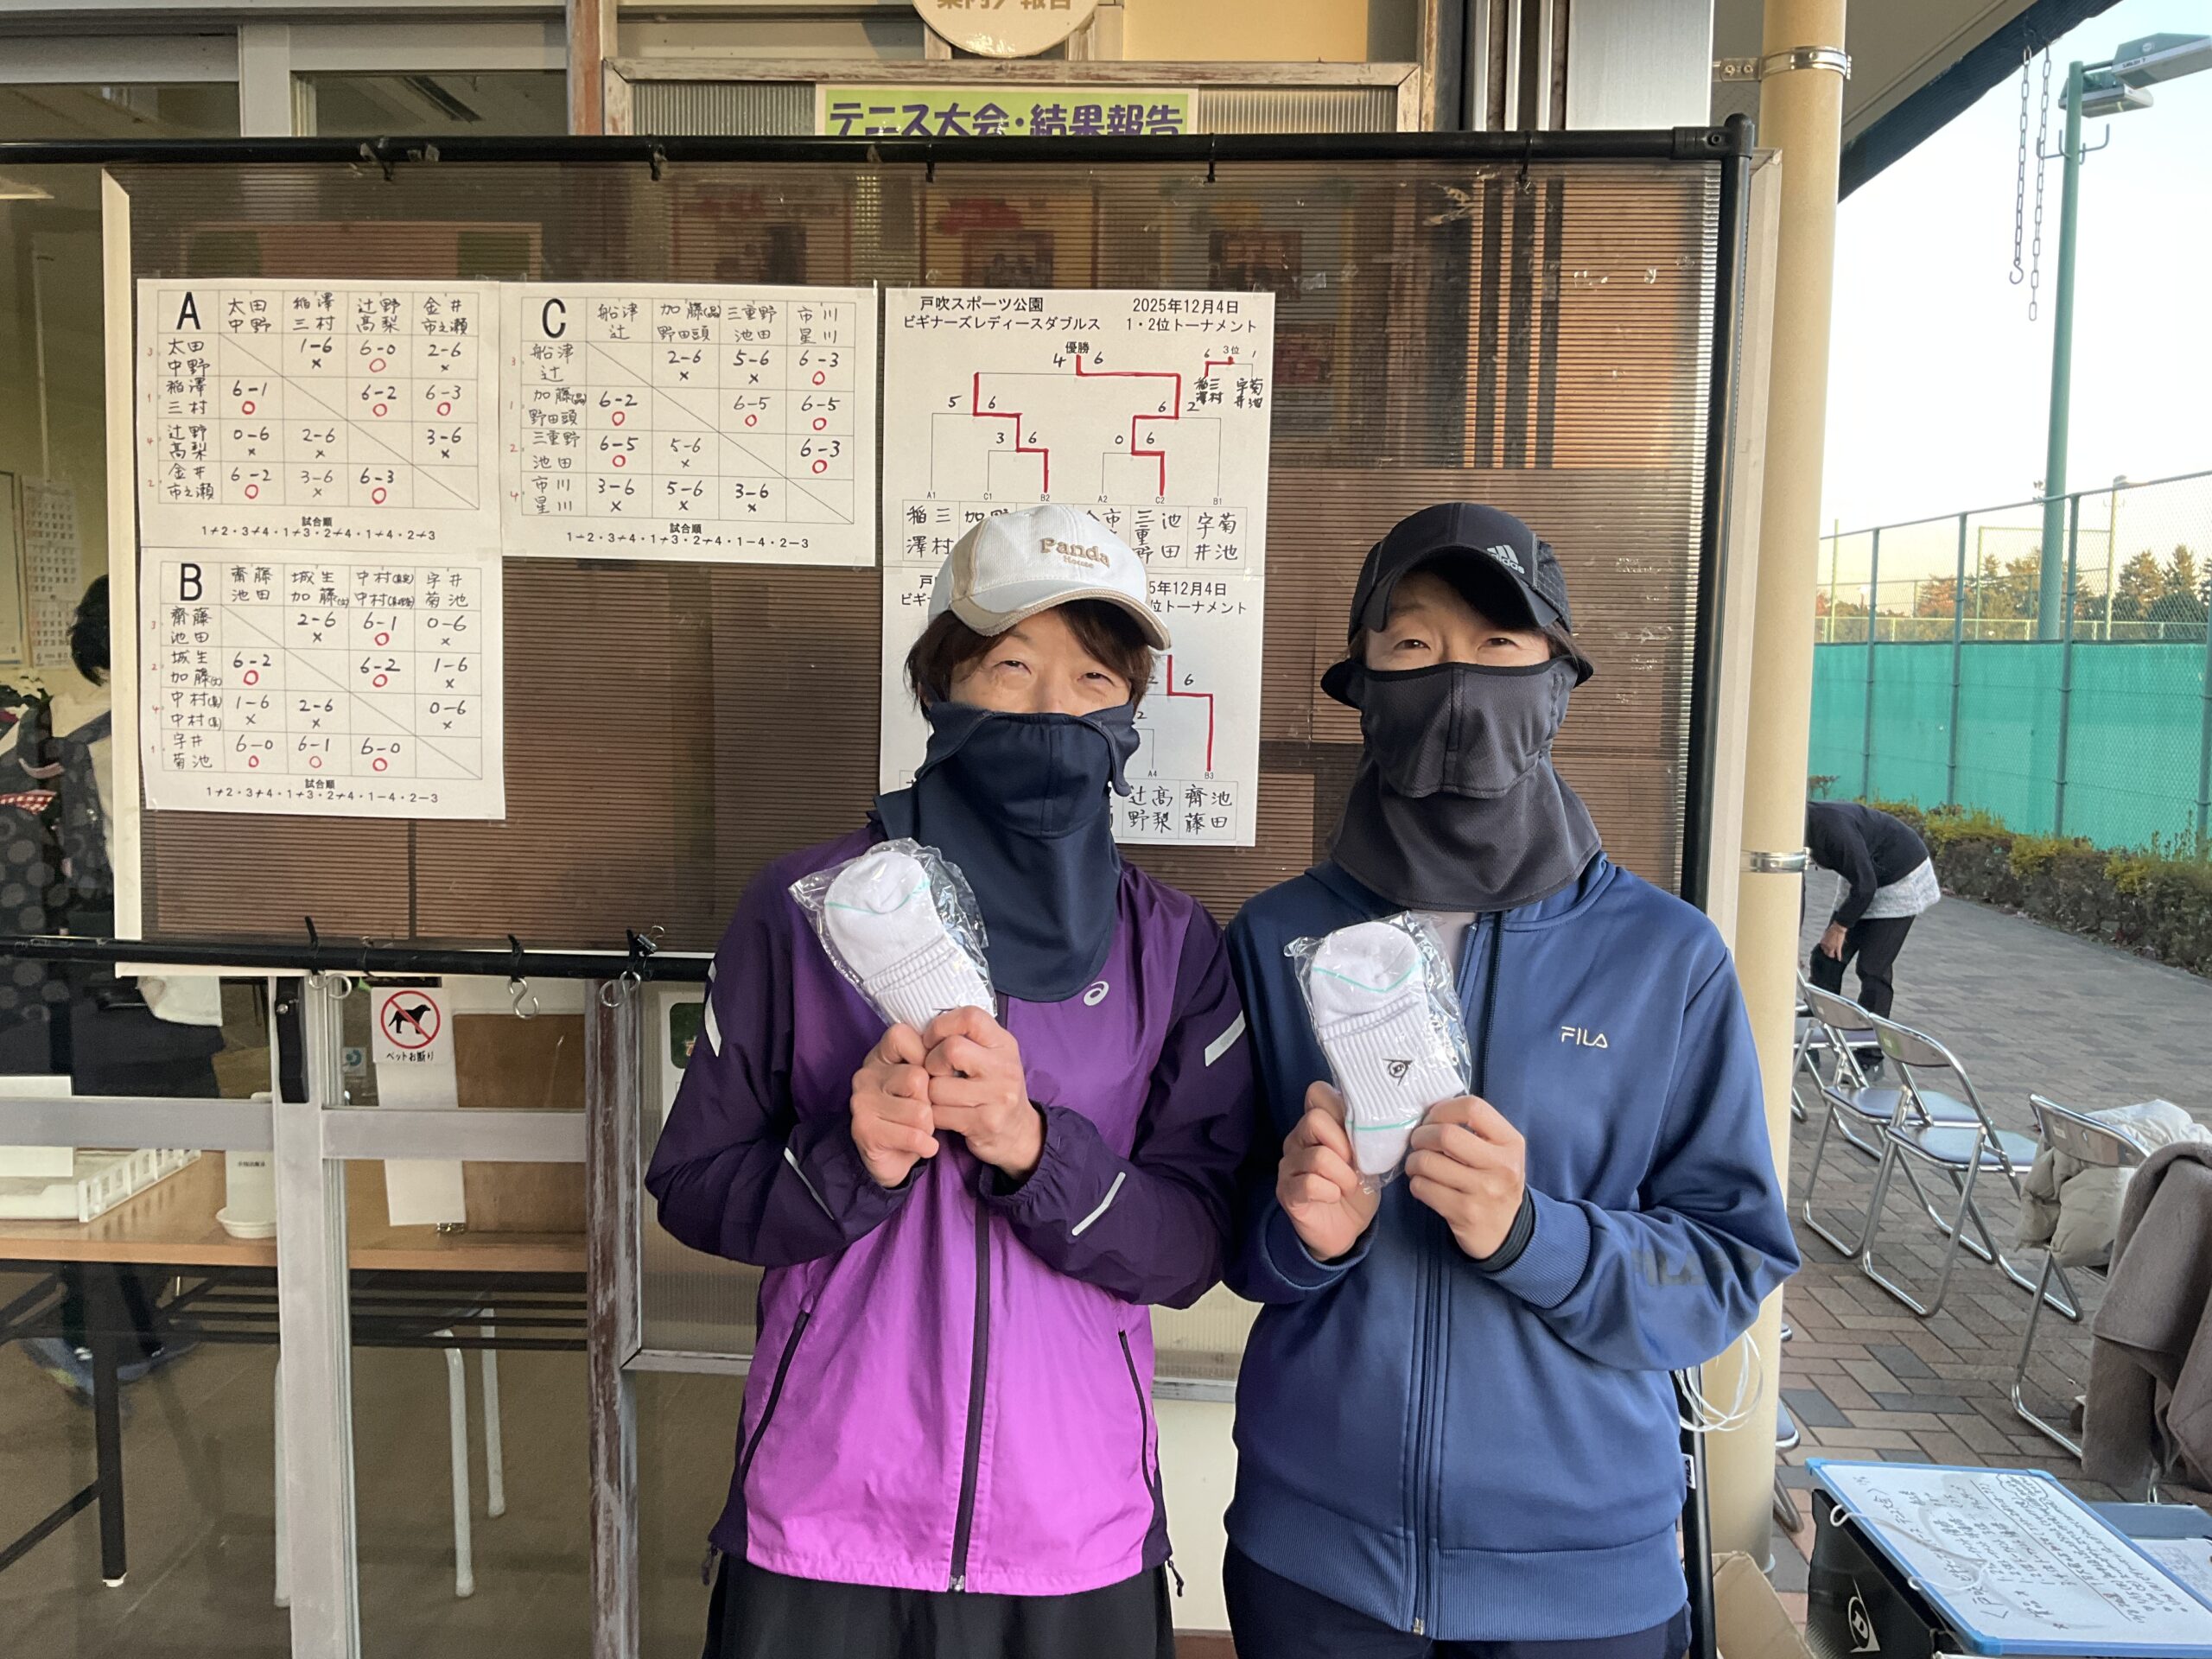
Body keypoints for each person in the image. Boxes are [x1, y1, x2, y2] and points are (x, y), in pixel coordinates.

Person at [645, 505, 1254, 1659]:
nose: (1054, 710)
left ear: (1130, 712)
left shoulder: (1172, 946)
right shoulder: (804, 909)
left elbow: (1193, 1246)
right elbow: (694, 1186)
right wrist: (847, 1162)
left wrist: (1039, 1153)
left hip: (1074, 1533)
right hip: (825, 1523)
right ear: (940, 685)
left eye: (1093, 679)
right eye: (1011, 667)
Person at [1221, 504, 1798, 1658]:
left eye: (1498, 646)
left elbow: (1727, 1263)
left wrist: (1534, 1234)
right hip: (1315, 1566)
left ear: (1557, 680)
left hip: (1585, 1585)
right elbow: (1227, 1234)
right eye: (1413, 646)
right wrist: (1301, 1237)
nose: (1456, 683)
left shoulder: (1665, 956)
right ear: (1361, 685)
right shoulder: (1278, 938)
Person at [1803, 799, 1937, 1020]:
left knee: (1873, 968)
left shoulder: (1833, 830)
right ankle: (1820, 1024)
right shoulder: (1794, 832)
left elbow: (1866, 886)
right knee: (1826, 956)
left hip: (1901, 877)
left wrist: (1839, 927)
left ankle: (1870, 1039)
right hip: (1862, 877)